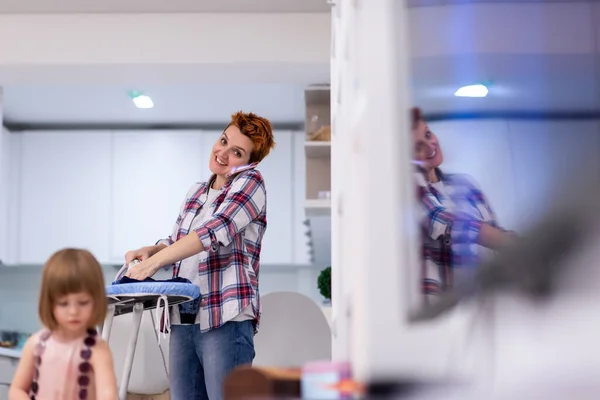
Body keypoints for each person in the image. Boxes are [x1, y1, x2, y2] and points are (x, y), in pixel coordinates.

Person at [124, 111, 275, 400]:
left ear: (250, 162)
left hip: (224, 318)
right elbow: (178, 241)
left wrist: (157, 262)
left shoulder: (251, 182)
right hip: (184, 316)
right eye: (223, 141)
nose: (223, 153)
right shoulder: (196, 192)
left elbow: (214, 232)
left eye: (237, 152)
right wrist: (153, 250)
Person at [412, 107, 516, 300]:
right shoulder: (410, 188)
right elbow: (444, 222)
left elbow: (493, 235)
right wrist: (510, 243)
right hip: (442, 309)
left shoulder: (465, 183)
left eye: (428, 134)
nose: (430, 145)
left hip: (483, 299)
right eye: (418, 147)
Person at [9, 248, 118, 400]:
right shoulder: (35, 344)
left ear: (96, 301)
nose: (73, 311)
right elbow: (17, 389)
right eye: (63, 303)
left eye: (83, 302)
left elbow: (108, 395)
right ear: (49, 303)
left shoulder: (97, 349)